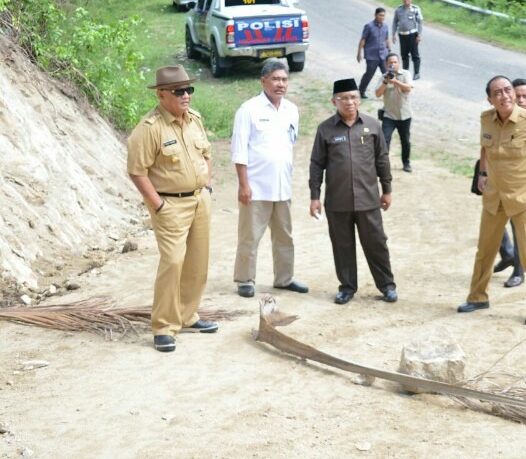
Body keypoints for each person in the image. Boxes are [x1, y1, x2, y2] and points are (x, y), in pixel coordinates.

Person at [126, 65, 217, 353]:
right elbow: (137, 171)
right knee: (173, 262)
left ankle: (188, 315)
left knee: (197, 263)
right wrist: (158, 204)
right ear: (162, 94)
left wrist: (208, 185)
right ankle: (164, 326)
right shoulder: (149, 129)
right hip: (170, 205)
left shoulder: (194, 120)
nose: (186, 95)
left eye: (189, 89)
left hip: (200, 199)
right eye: (179, 91)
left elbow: (206, 154)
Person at [457, 75, 526, 325]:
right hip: (494, 196)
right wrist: (482, 172)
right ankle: (478, 296)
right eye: (497, 93)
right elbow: (485, 145)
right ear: (490, 99)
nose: (504, 96)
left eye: (508, 90)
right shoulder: (486, 119)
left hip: (524, 198)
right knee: (485, 250)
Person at [309, 78, 397, 305]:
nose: (350, 102)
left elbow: (382, 159)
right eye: (344, 98)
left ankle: (387, 286)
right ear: (334, 101)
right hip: (338, 202)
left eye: (354, 97)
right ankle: (347, 287)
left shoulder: (372, 125)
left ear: (359, 99)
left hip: (368, 200)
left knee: (376, 243)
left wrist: (386, 189)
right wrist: (314, 196)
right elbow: (316, 164)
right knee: (342, 246)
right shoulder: (326, 129)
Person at [231, 62, 308, 299]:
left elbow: (289, 144)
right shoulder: (249, 110)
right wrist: (244, 184)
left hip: (282, 186)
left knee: (285, 236)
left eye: (284, 80)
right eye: (275, 79)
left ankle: (284, 278)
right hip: (256, 187)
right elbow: (239, 150)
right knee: (250, 236)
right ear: (263, 81)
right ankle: (245, 279)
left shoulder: (291, 110)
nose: (280, 84)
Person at [493, 78, 526, 287]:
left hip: (523, 186)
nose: (518, 100)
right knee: (494, 220)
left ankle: (519, 271)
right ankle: (508, 254)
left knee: (518, 227)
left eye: (523, 96)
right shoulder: (501, 117)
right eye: (515, 95)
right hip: (499, 182)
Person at [375, 52, 414, 172]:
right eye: (390, 62)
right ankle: (383, 165)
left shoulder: (405, 74)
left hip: (405, 115)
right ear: (386, 64)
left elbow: (408, 88)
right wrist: (386, 82)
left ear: (399, 63)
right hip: (389, 115)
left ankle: (406, 163)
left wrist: (395, 81)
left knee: (405, 141)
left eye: (395, 62)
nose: (393, 64)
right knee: (384, 141)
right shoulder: (383, 77)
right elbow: (377, 94)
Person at [357, 7, 391, 99]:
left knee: (387, 74)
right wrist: (359, 53)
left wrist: (389, 52)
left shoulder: (385, 26)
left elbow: (387, 39)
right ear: (375, 15)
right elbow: (363, 40)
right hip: (372, 56)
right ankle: (361, 91)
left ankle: (389, 94)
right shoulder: (369, 26)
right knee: (369, 74)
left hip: (383, 55)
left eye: (383, 16)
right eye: (380, 15)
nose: (382, 17)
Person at [391, 0, 423, 80]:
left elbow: (420, 22)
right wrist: (393, 34)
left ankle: (417, 73)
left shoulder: (415, 9)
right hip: (402, 35)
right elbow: (395, 22)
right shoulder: (399, 10)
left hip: (412, 35)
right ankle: (406, 72)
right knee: (404, 55)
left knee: (415, 55)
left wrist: (419, 35)